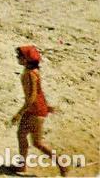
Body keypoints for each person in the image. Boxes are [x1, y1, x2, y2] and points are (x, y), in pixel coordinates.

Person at [11, 46, 66, 176]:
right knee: (22, 135)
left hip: (34, 110)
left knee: (36, 142)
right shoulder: (34, 71)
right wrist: (46, 107)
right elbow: (40, 93)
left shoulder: (30, 74)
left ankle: (61, 164)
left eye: (20, 57)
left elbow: (32, 97)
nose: (17, 58)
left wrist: (19, 113)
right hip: (37, 109)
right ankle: (22, 165)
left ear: (26, 60)